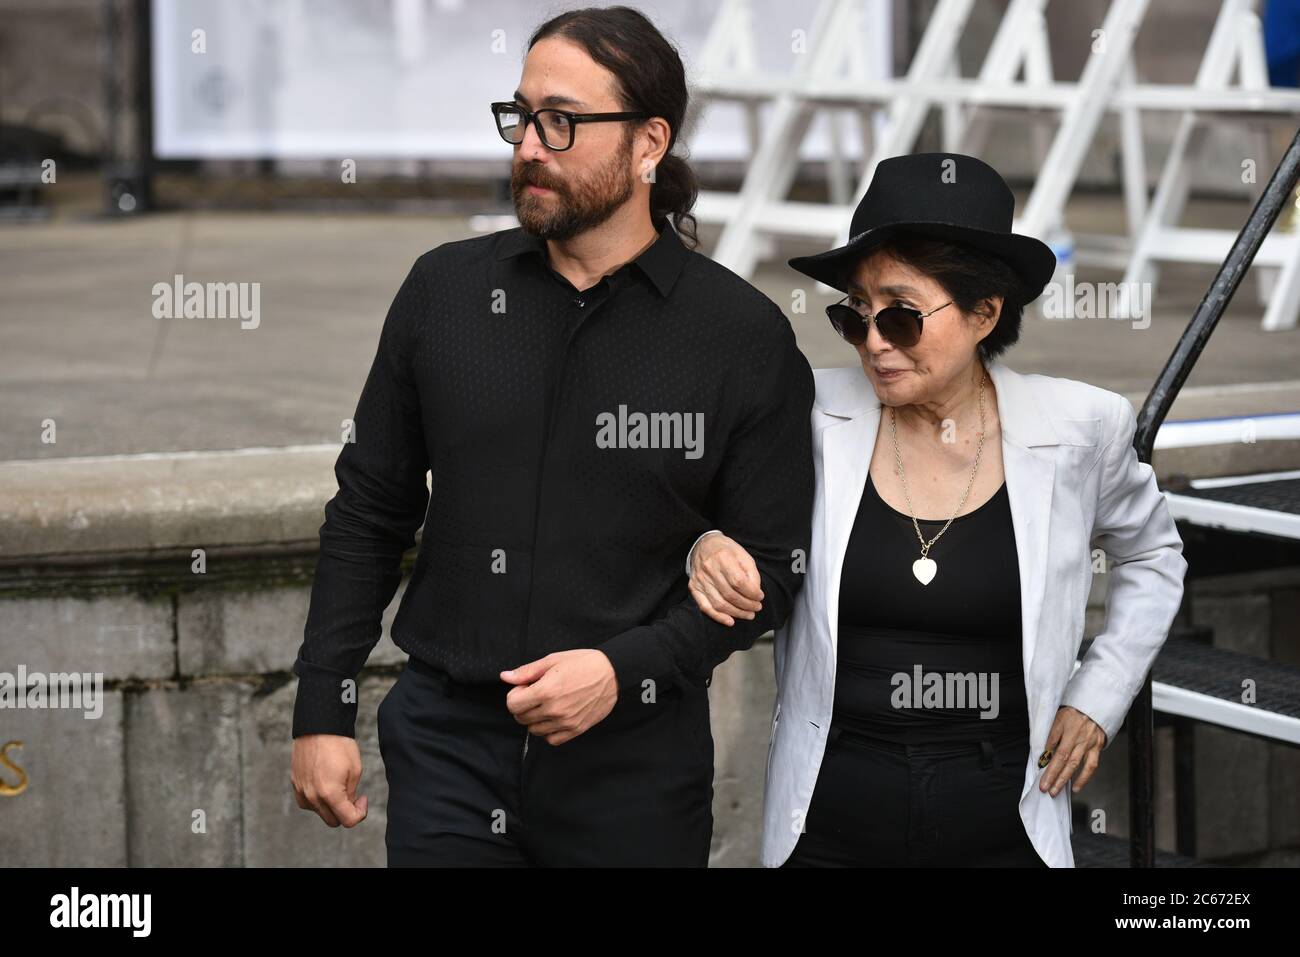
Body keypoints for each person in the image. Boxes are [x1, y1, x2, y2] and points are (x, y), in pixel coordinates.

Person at [288, 5, 815, 866]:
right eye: (522, 116)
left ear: (650, 143)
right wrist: (322, 706)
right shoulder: (443, 293)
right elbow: (371, 508)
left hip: (635, 767)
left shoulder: (740, 337)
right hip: (446, 751)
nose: (530, 145)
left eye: (563, 121)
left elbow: (774, 569)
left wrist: (625, 667)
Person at [684, 152, 1188, 867]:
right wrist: (705, 543)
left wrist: (1098, 693)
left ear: (986, 311)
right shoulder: (809, 412)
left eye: (902, 315)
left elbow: (1153, 553)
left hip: (1004, 823)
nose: (875, 343)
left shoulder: (1078, 427)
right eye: (854, 314)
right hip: (828, 824)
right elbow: (697, 503)